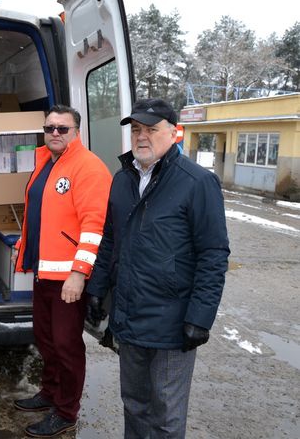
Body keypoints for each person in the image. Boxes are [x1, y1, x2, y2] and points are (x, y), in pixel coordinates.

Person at [86, 98, 230, 438]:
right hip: (130, 315)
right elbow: (110, 241)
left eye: (151, 129)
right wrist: (96, 289)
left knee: (166, 413)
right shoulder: (123, 180)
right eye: (136, 130)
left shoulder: (196, 182)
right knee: (134, 403)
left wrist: (200, 316)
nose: (142, 137)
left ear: (174, 133)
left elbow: (213, 254)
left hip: (173, 323)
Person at [13, 104, 112, 438]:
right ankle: (50, 392)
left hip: (68, 278)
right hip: (44, 271)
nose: (54, 133)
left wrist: (79, 273)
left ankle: (66, 411)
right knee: (45, 339)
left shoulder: (89, 168)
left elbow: (93, 226)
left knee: (67, 345)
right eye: (49, 127)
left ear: (76, 131)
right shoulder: (46, 161)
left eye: (62, 128)